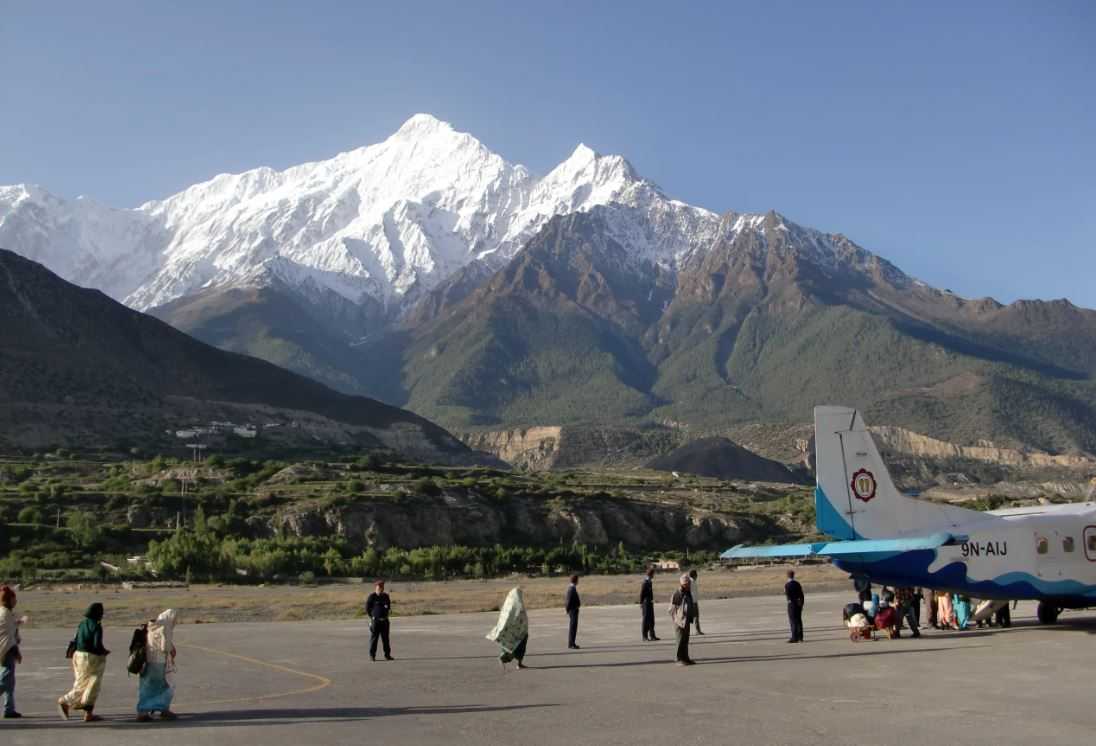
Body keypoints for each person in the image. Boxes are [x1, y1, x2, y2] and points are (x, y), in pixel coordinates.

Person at [59, 602, 110, 722]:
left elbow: (76, 640)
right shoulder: (96, 626)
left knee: (83, 683)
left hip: (77, 655)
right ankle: (66, 701)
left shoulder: (82, 624)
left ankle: (88, 713)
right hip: (89, 658)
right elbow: (96, 645)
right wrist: (104, 652)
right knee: (91, 684)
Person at [137, 609, 178, 722]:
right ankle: (163, 709)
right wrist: (172, 650)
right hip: (159, 661)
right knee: (165, 686)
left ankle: (143, 711)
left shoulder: (152, 626)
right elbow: (165, 647)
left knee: (146, 687)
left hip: (147, 661)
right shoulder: (165, 628)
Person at [487, 587, 529, 671]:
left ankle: (518, 663)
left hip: (518, 630)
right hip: (517, 631)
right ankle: (505, 660)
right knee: (515, 647)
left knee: (516, 646)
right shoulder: (517, 604)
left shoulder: (509, 604)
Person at [0, 586, 24, 719]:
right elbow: (9, 637)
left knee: (9, 682)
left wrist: (18, 622)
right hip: (6, 651)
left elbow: (10, 629)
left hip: (5, 650)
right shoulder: (6, 614)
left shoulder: (5, 613)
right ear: (9, 599)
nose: (16, 601)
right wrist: (16, 652)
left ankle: (9, 709)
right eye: (14, 598)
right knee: (5, 681)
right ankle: (9, 709)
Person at [668, 574, 697, 665]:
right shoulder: (678, 594)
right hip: (679, 622)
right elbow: (671, 609)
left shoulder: (688, 593)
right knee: (680, 640)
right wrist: (677, 620)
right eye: (687, 583)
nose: (689, 585)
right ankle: (679, 659)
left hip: (686, 620)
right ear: (683, 584)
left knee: (685, 640)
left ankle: (686, 658)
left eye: (689, 583)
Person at [366, 580, 393, 661]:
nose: (381, 588)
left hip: (384, 621)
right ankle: (372, 656)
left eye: (382, 587)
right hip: (375, 621)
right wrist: (372, 617)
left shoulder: (386, 596)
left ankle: (387, 655)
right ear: (376, 587)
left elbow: (388, 607)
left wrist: (386, 612)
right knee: (374, 639)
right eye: (379, 587)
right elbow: (367, 608)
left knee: (386, 639)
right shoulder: (372, 596)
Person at [785, 570, 805, 643]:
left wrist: (790, 601)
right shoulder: (797, 584)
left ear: (787, 576)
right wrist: (801, 604)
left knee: (793, 621)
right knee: (799, 620)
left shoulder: (787, 585)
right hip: (798, 603)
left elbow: (788, 596)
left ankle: (794, 637)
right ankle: (800, 637)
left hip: (792, 604)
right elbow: (801, 595)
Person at [640, 568, 659, 641]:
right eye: (653, 574)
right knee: (646, 619)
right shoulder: (645, 582)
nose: (654, 575)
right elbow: (642, 593)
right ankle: (644, 636)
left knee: (651, 619)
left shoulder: (649, 581)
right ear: (651, 574)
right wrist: (641, 603)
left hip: (650, 602)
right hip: (646, 602)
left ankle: (652, 635)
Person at [565, 575, 581, 649]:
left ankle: (572, 643)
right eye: (578, 580)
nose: (578, 581)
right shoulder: (571, 589)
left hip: (574, 610)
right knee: (573, 628)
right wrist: (567, 610)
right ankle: (571, 644)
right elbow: (568, 601)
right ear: (576, 580)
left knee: (574, 627)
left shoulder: (572, 588)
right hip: (573, 610)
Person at [688, 569, 704, 635]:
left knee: (695, 616)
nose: (697, 576)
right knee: (695, 616)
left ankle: (697, 630)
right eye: (696, 575)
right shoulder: (690, 582)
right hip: (692, 601)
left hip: (694, 601)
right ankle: (697, 631)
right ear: (694, 575)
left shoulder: (693, 581)